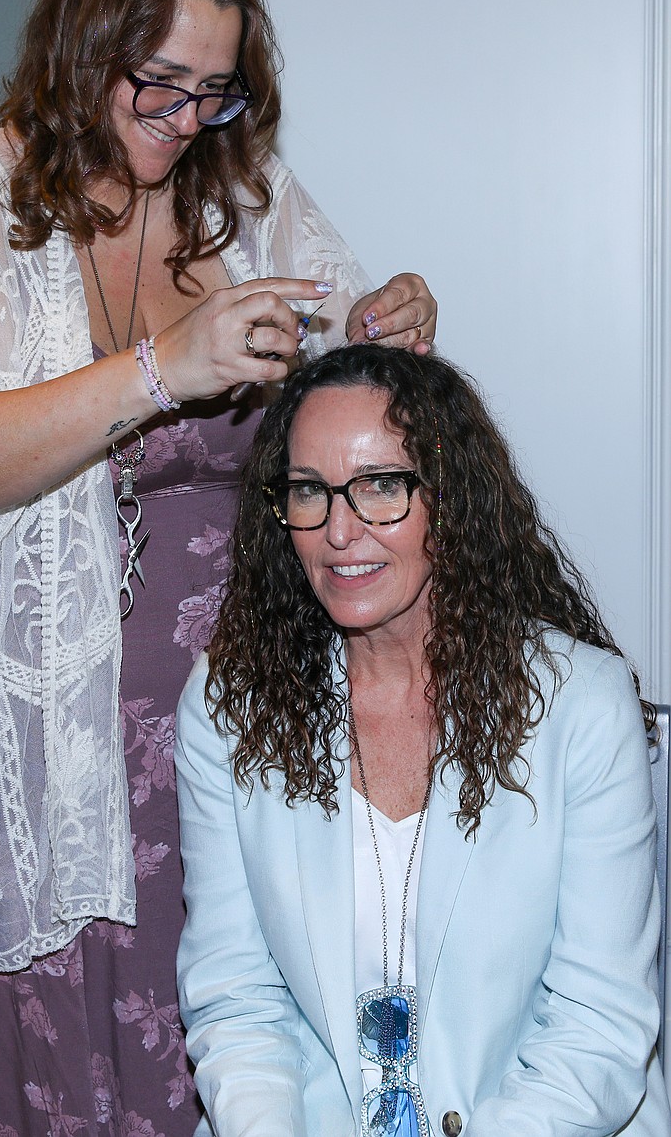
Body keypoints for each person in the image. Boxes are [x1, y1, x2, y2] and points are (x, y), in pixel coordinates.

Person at [0, 0, 437, 1137]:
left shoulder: (246, 203)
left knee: (231, 1036)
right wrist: (160, 371)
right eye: (157, 82)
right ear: (83, 46)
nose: (184, 119)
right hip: (29, 748)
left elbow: (338, 397)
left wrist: (385, 331)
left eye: (214, 92)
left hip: (230, 727)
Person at [176, 343, 671, 1137]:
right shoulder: (231, 702)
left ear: (451, 497)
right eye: (309, 490)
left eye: (381, 486)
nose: (340, 531)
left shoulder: (580, 705)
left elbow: (597, 1027)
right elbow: (237, 999)